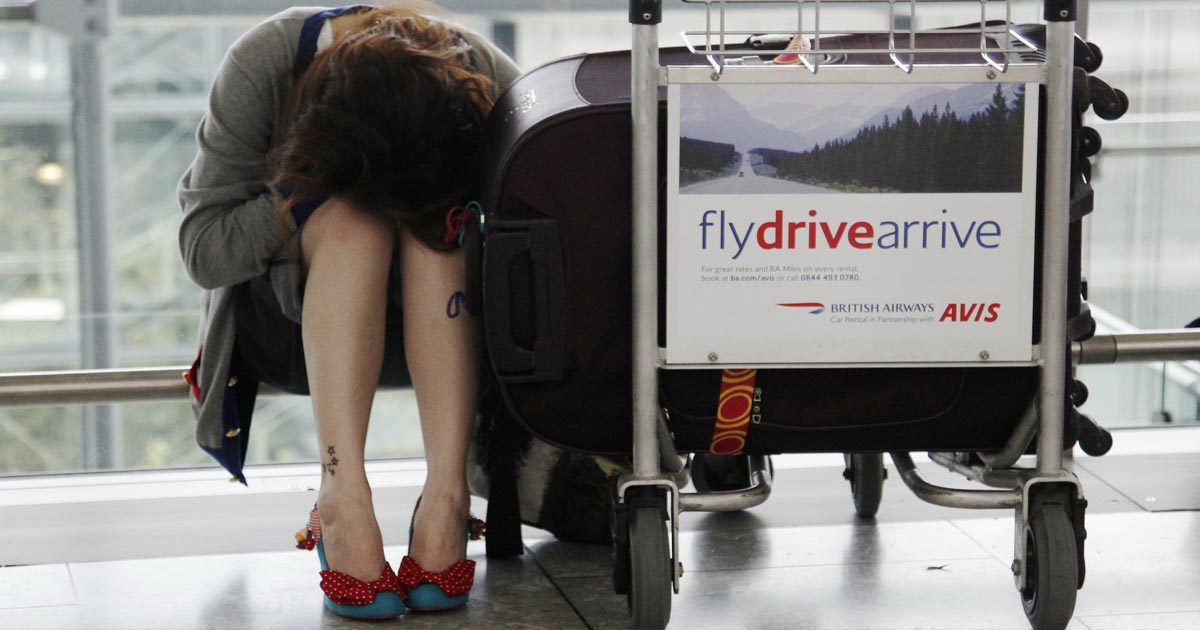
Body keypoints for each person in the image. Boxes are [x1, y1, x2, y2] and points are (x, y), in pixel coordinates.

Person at [177, 2, 519, 620]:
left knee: (436, 229)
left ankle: (446, 496)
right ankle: (342, 496)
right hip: (290, 326)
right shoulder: (265, 63)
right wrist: (305, 187)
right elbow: (204, 250)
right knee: (353, 224)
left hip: (451, 322)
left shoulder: (478, 71)